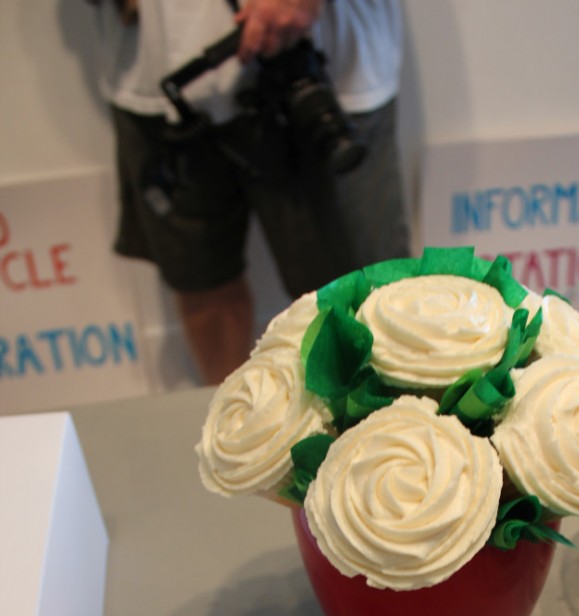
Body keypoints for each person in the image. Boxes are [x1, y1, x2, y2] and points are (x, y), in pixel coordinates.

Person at [92, 0, 411, 383]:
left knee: (364, 298)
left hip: (321, 65)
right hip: (154, 67)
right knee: (203, 280)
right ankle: (231, 412)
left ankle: (383, 419)